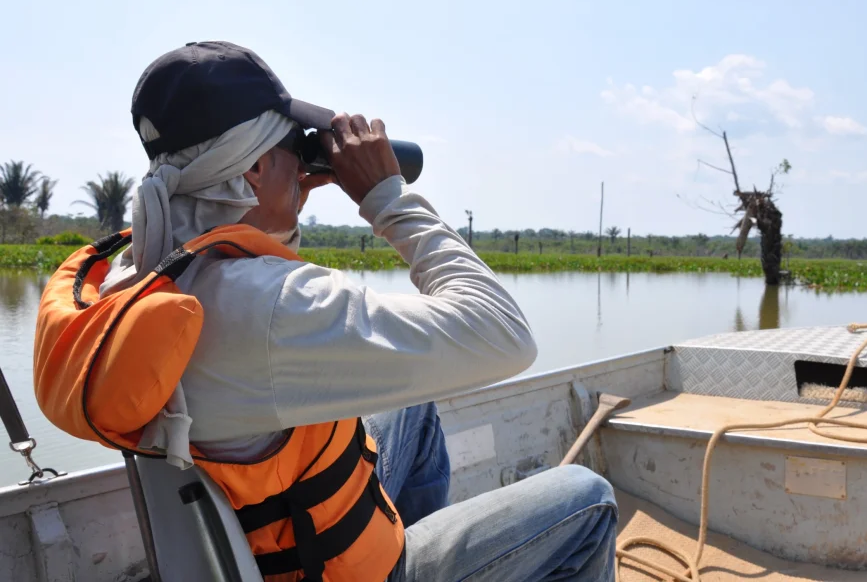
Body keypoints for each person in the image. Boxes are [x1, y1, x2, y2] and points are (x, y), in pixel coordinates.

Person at [54, 41, 618, 581]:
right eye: (293, 154)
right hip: (324, 569)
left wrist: (281, 195)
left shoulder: (136, 277)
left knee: (412, 406)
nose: (305, 170)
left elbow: (259, 286)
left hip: (265, 536)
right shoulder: (274, 309)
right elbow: (505, 336)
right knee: (587, 499)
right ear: (251, 171)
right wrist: (386, 197)